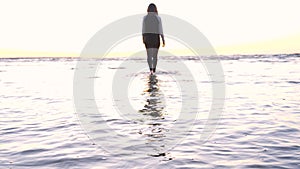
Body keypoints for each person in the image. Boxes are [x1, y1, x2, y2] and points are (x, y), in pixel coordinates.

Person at [142, 3, 165, 74]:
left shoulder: (145, 18)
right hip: (155, 38)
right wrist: (163, 39)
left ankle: (150, 70)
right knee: (155, 56)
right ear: (155, 9)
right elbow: (160, 29)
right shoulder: (158, 18)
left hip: (147, 37)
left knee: (149, 55)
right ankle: (154, 70)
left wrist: (143, 38)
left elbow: (143, 29)